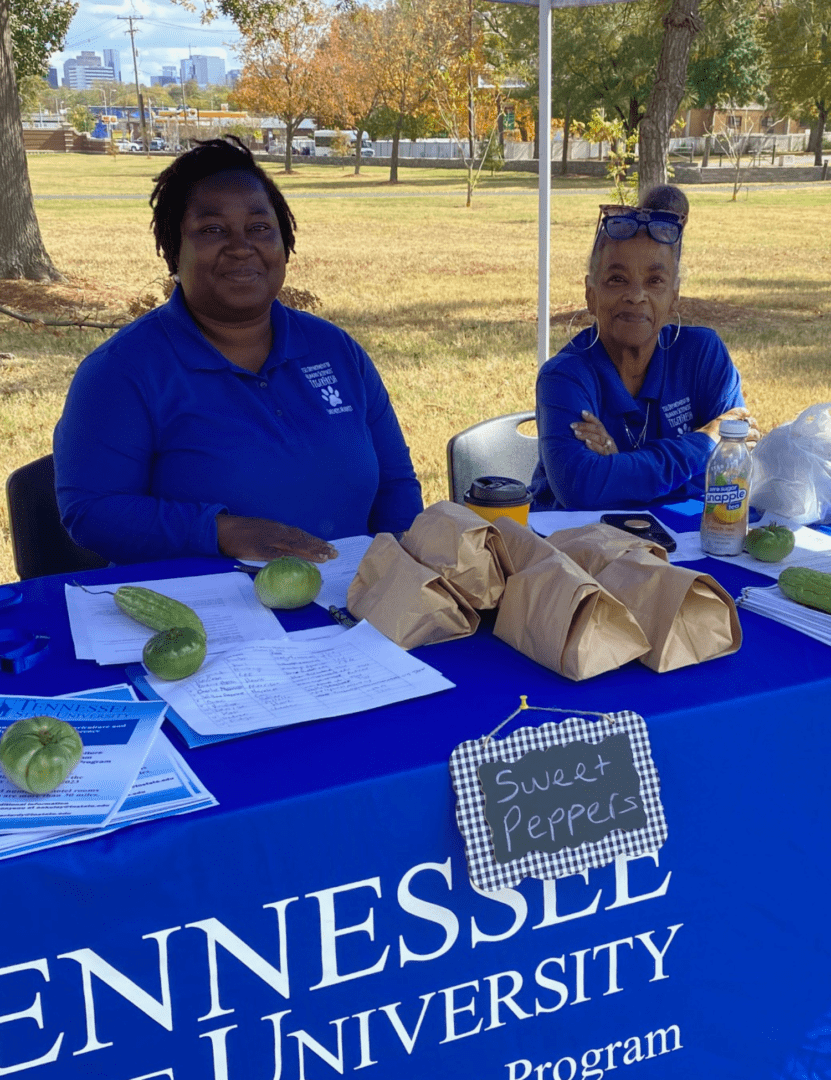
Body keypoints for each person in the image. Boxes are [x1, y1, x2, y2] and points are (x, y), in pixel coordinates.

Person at [54, 137, 423, 565]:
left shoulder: (336, 351)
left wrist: (398, 577)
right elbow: (92, 512)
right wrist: (220, 531)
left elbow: (396, 484)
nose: (241, 246)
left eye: (259, 228)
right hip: (206, 614)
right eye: (212, 230)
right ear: (174, 251)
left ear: (284, 244)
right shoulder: (121, 372)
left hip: (350, 604)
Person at [529, 185, 758, 511]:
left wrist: (621, 467)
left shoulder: (702, 354)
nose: (636, 295)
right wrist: (706, 441)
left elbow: (735, 467)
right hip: (575, 549)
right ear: (590, 294)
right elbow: (581, 487)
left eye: (654, 281)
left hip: (683, 541)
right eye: (617, 280)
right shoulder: (564, 377)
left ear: (674, 295)